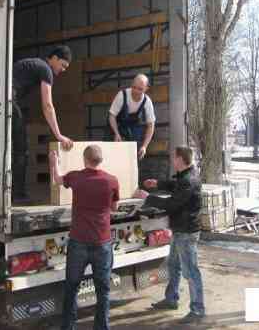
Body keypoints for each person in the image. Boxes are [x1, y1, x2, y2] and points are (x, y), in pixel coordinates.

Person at [49, 145, 119, 330]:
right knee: (103, 291)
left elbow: (57, 179)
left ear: (84, 159)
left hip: (78, 242)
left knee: (72, 288)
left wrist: (53, 162)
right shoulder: (112, 181)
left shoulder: (76, 177)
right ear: (100, 160)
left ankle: (68, 327)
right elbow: (115, 208)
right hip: (102, 244)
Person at [133, 146, 205, 325]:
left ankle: (197, 309)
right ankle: (171, 299)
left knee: (190, 271)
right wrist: (157, 183)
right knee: (173, 264)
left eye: (174, 157)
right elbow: (175, 185)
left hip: (186, 232)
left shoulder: (189, 180)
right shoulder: (187, 176)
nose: (172, 160)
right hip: (180, 229)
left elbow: (173, 204)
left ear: (180, 159)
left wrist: (147, 197)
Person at [12, 46, 74, 201]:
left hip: (2, 97)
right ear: (54, 58)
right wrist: (59, 135)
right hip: (7, 100)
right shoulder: (46, 70)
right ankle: (17, 195)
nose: (64, 69)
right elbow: (47, 105)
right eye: (63, 65)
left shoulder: (35, 65)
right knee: (21, 149)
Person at [108, 74, 155, 161]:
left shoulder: (147, 101)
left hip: (133, 131)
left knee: (133, 157)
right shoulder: (122, 95)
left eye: (140, 89)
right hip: (117, 128)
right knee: (113, 157)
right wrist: (116, 133)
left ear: (146, 88)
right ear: (131, 84)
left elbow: (151, 126)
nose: (136, 91)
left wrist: (144, 146)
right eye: (134, 87)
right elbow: (112, 115)